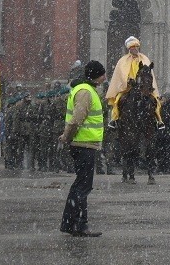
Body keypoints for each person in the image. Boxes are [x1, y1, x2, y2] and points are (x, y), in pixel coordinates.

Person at [59, 61, 107, 237]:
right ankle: (79, 224)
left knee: (79, 185)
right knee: (83, 187)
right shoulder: (85, 92)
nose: (105, 77)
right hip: (83, 145)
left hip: (83, 144)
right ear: (96, 75)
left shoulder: (85, 89)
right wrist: (66, 136)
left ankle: (71, 224)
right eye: (103, 74)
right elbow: (77, 119)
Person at [105, 36, 164, 130]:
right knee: (119, 100)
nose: (135, 48)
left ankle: (158, 120)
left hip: (143, 87)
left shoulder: (145, 59)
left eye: (137, 46)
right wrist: (128, 81)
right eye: (133, 47)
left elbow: (148, 74)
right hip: (128, 88)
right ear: (129, 48)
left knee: (154, 101)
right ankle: (114, 119)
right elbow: (121, 75)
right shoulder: (123, 61)